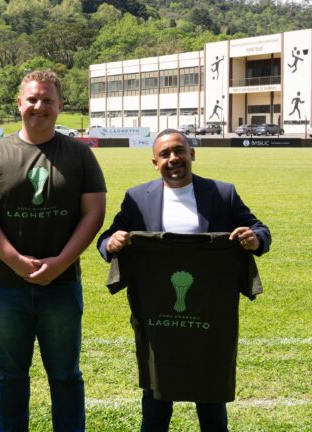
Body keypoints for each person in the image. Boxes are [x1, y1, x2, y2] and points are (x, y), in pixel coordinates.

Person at [96, 129, 271, 432]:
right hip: (159, 315)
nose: (173, 159)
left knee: (211, 400)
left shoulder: (222, 193)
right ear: (155, 162)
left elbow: (260, 229)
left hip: (209, 315)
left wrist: (254, 238)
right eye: (165, 154)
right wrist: (111, 243)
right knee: (155, 400)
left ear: (192, 154)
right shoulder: (137, 198)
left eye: (179, 151)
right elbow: (107, 237)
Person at [0, 70, 107, 432]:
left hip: (61, 285)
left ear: (60, 105)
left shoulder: (78, 154)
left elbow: (94, 212)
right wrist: (13, 260)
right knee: (10, 375)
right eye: (32, 99)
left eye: (47, 99)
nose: (39, 106)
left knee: (65, 375)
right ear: (19, 103)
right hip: (5, 286)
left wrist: (62, 262)